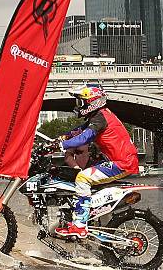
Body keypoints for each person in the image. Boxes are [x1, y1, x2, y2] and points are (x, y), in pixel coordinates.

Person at [54, 84, 139, 238]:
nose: (78, 105)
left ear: (91, 102)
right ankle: (94, 222)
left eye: (81, 102)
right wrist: (61, 138)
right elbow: (78, 131)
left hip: (122, 163)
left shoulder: (100, 118)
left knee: (82, 177)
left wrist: (62, 145)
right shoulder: (99, 116)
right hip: (118, 161)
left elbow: (84, 137)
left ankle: (79, 226)